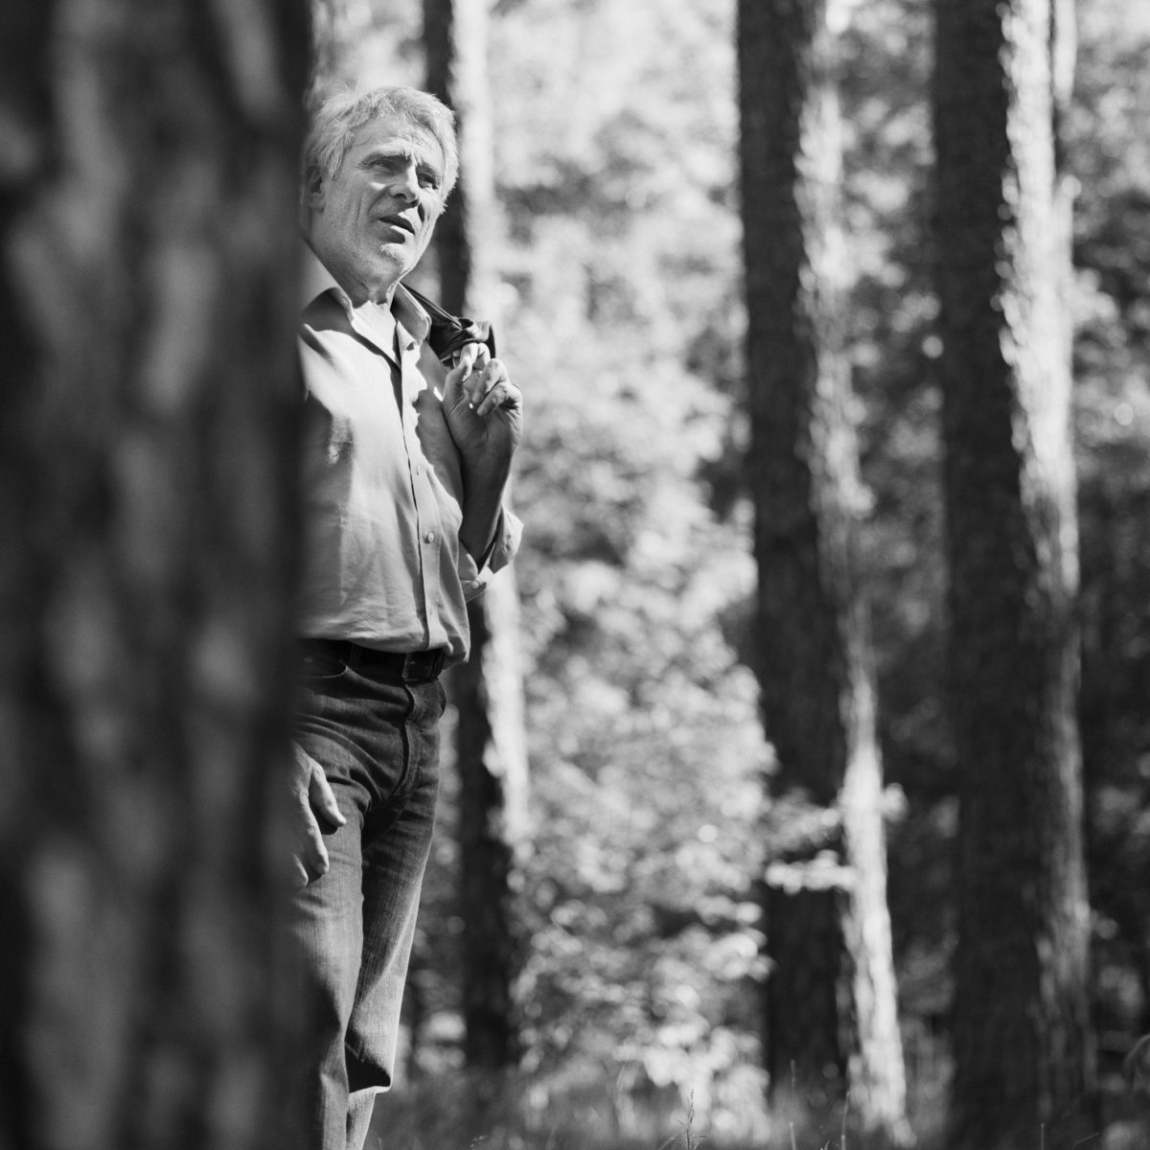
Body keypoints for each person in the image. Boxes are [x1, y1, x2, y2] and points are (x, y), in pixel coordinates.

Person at [287, 85, 523, 1150]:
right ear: (316, 183)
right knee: (300, 1023)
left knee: (361, 1052)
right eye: (384, 163)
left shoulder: (437, 358)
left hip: (413, 727)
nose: (410, 190)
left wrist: (488, 462)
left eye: (429, 178)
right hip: (308, 718)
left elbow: (470, 562)